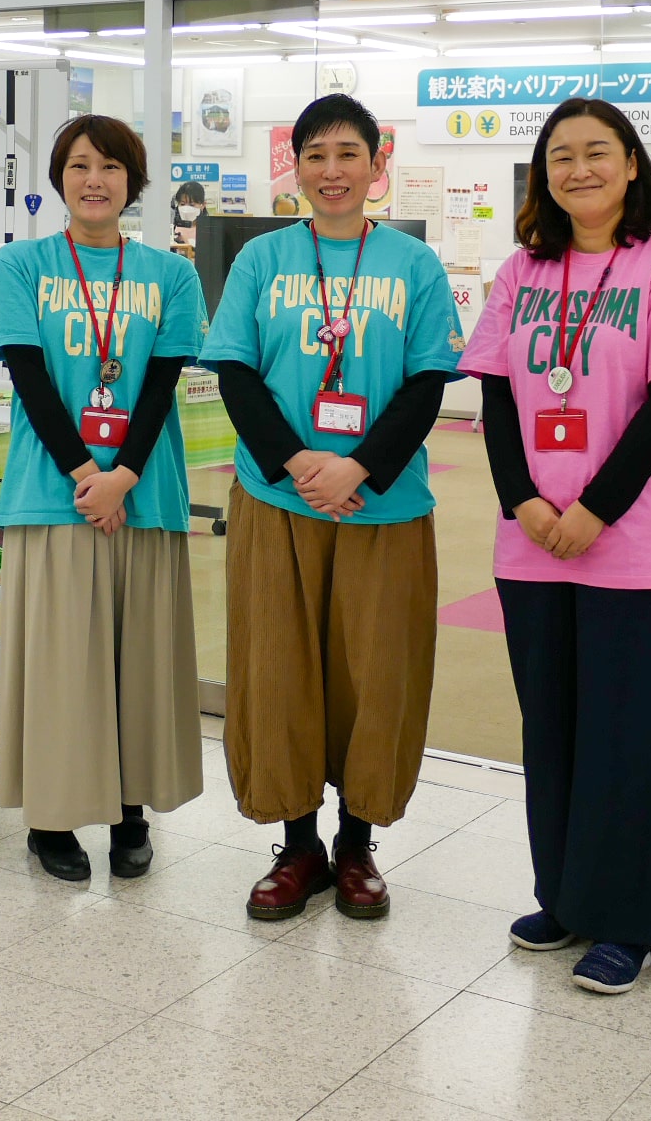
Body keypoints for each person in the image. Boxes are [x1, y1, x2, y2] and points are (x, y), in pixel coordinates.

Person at [462, 97, 651, 996]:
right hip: (532, 543)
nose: (578, 170)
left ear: (633, 164)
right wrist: (523, 501)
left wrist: (595, 512)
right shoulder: (523, 269)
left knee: (631, 736)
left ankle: (630, 920)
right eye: (559, 156)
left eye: (597, 153)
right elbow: (494, 394)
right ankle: (565, 896)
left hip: (633, 544)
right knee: (556, 729)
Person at [202, 93, 463, 922]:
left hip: (382, 506)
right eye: (315, 155)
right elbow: (236, 373)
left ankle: (356, 844)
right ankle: (297, 845)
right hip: (277, 500)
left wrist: (358, 469)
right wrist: (302, 462)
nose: (332, 170)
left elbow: (428, 383)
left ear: (377, 165)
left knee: (374, 677)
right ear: (297, 169)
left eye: (348, 153)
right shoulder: (262, 259)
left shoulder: (413, 265)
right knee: (277, 672)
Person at [0, 115, 206, 883]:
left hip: (146, 496)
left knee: (136, 664)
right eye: (79, 166)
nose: (94, 179)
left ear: (132, 182)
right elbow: (29, 379)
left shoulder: (170, 275)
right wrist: (87, 476)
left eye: (110, 166)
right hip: (52, 496)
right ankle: (50, 817)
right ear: (59, 178)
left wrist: (124, 478)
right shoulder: (21, 265)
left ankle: (131, 811)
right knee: (59, 667)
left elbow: (163, 383)